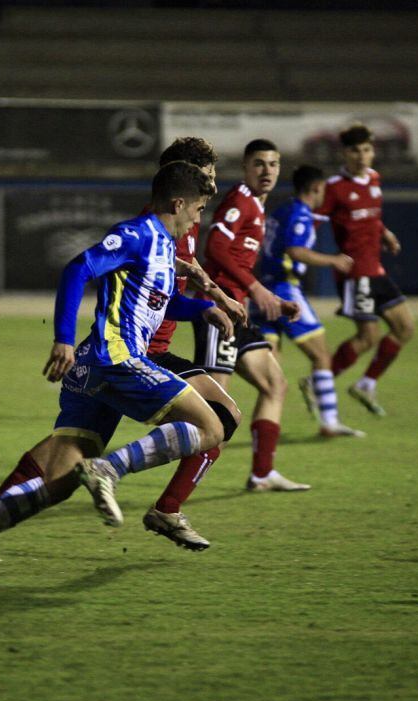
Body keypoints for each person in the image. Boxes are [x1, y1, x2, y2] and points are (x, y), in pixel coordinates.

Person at [0, 161, 237, 577]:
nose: (199, 218)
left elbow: (161, 303)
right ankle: (109, 469)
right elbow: (79, 267)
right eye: (199, 209)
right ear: (179, 202)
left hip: (98, 370)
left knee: (57, 481)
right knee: (212, 427)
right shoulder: (137, 233)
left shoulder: (166, 248)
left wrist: (206, 309)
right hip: (117, 358)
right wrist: (61, 337)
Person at [143, 137, 247, 551]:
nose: (214, 184)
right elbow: (159, 288)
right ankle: (155, 501)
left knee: (220, 420)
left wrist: (217, 295)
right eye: (208, 176)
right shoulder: (152, 224)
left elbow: (188, 263)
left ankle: (167, 508)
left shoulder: (188, 216)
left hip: (156, 349)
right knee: (218, 421)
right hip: (136, 353)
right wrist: (204, 309)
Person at [194, 138, 308, 492]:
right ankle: (164, 485)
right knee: (217, 413)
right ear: (245, 167)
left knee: (276, 385)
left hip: (239, 310)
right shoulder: (240, 199)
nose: (267, 171)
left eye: (273, 164)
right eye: (259, 163)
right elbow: (214, 247)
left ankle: (262, 474)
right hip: (220, 310)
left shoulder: (258, 206)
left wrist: (264, 294)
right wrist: (258, 290)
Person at [257, 164, 363, 439]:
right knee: (322, 355)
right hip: (284, 290)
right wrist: (334, 260)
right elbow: (296, 250)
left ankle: (266, 436)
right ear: (317, 188)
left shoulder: (280, 211)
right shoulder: (299, 213)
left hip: (261, 291)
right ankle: (329, 421)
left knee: (271, 374)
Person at [321, 124, 415, 418]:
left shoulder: (374, 179)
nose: (361, 156)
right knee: (367, 338)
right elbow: (310, 218)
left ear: (372, 151)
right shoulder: (334, 187)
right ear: (344, 153)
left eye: (366, 150)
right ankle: (319, 382)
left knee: (405, 328)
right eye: (354, 150)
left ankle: (366, 383)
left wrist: (385, 234)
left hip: (376, 270)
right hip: (354, 274)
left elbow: (373, 217)